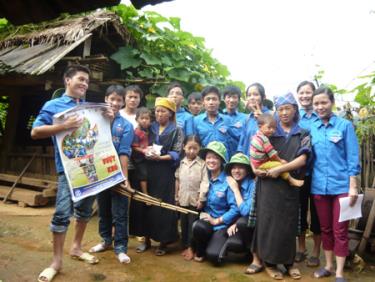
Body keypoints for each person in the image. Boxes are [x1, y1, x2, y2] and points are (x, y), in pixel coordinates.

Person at [32, 65, 104, 282]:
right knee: (62, 214)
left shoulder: (88, 108)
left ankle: (76, 247)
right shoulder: (54, 105)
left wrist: (108, 116)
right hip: (68, 170)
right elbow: (35, 131)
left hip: (89, 168)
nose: (84, 84)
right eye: (80, 79)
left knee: (83, 211)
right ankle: (56, 262)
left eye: (87, 81)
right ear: (67, 80)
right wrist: (62, 126)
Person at [252, 92, 310, 280]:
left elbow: (303, 159)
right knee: (269, 223)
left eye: (288, 108)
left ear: (295, 110)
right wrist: (255, 170)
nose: (284, 112)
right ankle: (269, 263)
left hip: (289, 186)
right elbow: (252, 153)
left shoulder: (303, 133)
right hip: (268, 185)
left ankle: (289, 262)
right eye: (280, 109)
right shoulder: (269, 131)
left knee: (288, 224)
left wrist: (281, 169)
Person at [310, 86, 360, 282]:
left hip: (342, 187)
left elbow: (352, 157)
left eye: (324, 102)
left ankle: (339, 272)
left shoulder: (344, 126)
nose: (320, 107)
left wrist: (353, 185)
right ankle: (328, 266)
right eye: (316, 103)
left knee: (340, 230)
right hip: (319, 186)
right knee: (326, 229)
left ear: (332, 103)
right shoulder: (312, 127)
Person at [89, 85, 134, 264]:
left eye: (118, 100)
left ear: (122, 102)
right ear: (106, 99)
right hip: (100, 175)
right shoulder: (96, 120)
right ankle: (106, 240)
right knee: (104, 210)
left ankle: (121, 248)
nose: (115, 103)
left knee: (120, 213)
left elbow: (124, 153)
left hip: (117, 175)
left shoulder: (126, 126)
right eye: (112, 99)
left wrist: (124, 178)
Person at [142, 97, 184, 256]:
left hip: (165, 172)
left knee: (164, 206)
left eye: (163, 111)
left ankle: (163, 241)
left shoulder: (176, 130)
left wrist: (160, 158)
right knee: (147, 204)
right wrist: (145, 151)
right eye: (157, 111)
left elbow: (177, 152)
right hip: (149, 170)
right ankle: (146, 239)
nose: (159, 114)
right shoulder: (150, 126)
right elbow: (140, 141)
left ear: (171, 113)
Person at [192, 141, 238, 264]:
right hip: (207, 221)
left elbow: (235, 209)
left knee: (214, 257)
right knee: (198, 227)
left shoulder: (228, 181)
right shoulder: (204, 178)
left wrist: (217, 221)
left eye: (215, 158)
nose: (211, 161)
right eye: (209, 157)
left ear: (222, 161)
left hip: (221, 224)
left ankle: (218, 243)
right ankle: (201, 249)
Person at [295, 81, 322, 266]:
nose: (305, 96)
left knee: (318, 213)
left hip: (320, 173)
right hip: (300, 174)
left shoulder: (321, 116)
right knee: (300, 210)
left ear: (314, 94)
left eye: (308, 92)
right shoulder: (295, 117)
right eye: (301, 92)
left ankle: (316, 251)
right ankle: (301, 248)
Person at [220, 153, 260, 273]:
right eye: (234, 167)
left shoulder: (252, 185)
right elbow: (229, 207)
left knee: (242, 223)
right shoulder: (230, 182)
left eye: (241, 167)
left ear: (247, 170)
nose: (236, 171)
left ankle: (255, 256)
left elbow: (245, 211)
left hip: (253, 224)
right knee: (232, 242)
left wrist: (236, 189)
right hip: (236, 222)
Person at [175, 135, 209, 260]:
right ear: (184, 147)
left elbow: (204, 182)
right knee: (183, 224)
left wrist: (201, 198)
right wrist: (176, 196)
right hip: (183, 198)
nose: (191, 151)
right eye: (189, 148)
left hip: (195, 200)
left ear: (199, 148)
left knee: (192, 224)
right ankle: (185, 245)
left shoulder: (202, 164)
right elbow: (177, 179)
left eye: (195, 148)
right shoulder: (181, 163)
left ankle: (191, 247)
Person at [250, 113, 304, 187]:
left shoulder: (255, 136)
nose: (272, 130)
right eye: (269, 128)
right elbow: (272, 155)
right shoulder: (264, 139)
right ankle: (291, 180)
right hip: (261, 164)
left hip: (256, 163)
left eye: (274, 128)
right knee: (279, 166)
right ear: (260, 127)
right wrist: (280, 161)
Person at [192, 86, 235, 158]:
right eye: (208, 99)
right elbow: (194, 143)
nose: (211, 102)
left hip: (224, 162)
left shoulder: (227, 120)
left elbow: (232, 143)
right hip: (204, 162)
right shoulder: (196, 121)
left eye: (214, 99)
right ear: (203, 102)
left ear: (219, 101)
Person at [237, 83, 270, 155]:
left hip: (264, 163)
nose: (252, 97)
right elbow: (241, 144)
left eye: (255, 94)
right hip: (247, 162)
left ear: (263, 97)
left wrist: (263, 119)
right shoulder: (247, 119)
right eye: (249, 95)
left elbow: (274, 139)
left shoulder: (271, 115)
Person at [131, 107, 152, 196]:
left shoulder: (149, 130)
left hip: (147, 155)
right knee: (143, 175)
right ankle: (145, 193)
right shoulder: (136, 132)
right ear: (137, 119)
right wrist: (143, 150)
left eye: (147, 119)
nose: (144, 121)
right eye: (142, 118)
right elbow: (134, 147)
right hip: (138, 158)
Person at [222, 86, 247, 155]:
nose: (231, 100)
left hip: (239, 157)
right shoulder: (218, 116)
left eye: (234, 97)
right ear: (224, 99)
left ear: (238, 100)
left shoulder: (245, 118)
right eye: (229, 97)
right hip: (221, 157)